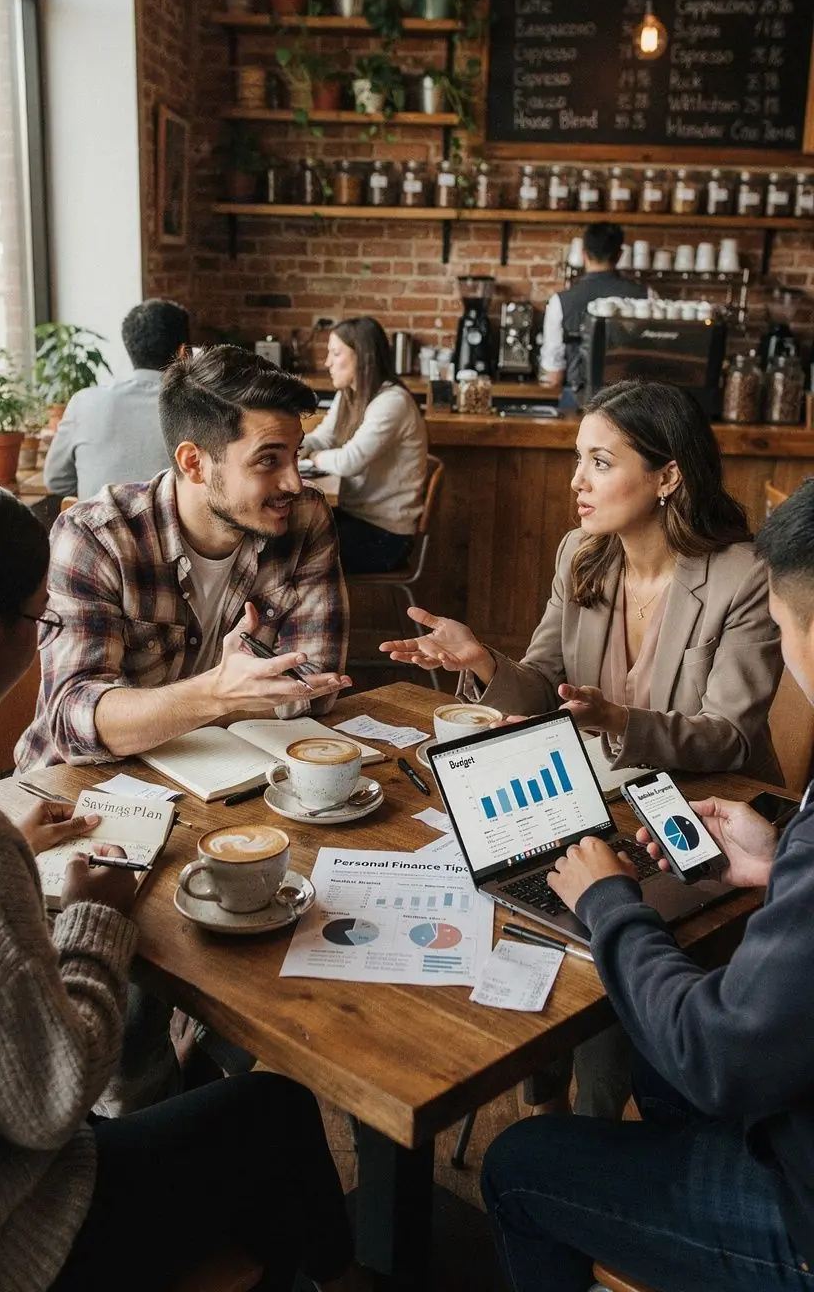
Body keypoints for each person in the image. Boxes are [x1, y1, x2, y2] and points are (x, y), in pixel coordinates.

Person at [381, 379, 782, 1119]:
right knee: (515, 894)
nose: (576, 482)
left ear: (668, 476)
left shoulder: (741, 575)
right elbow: (540, 686)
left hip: (700, 813)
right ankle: (545, 1103)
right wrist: (483, 663)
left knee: (593, 934)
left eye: (600, 462)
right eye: (577, 460)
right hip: (592, 795)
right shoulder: (582, 553)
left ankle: (592, 1125)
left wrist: (618, 719)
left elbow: (729, 734)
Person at [0, 488, 357, 1292]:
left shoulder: (297, 526)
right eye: (39, 618)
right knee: (278, 1113)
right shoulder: (101, 534)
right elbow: (53, 1098)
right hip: (33, 1237)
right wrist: (93, 918)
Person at [480, 476, 814, 1292]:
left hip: (799, 1210)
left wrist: (608, 903)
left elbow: (718, 1055)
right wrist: (779, 866)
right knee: (655, 1067)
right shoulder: (585, 558)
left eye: (783, 630)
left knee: (518, 1163)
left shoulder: (727, 576)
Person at [17, 344, 350, 771]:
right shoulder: (98, 537)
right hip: (80, 787)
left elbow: (316, 683)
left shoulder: (306, 516)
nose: (294, 483)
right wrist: (218, 693)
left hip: (219, 771)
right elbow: (74, 723)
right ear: (194, 463)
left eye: (295, 454)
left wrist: (154, 715)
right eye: (268, 460)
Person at [300, 317, 428, 574]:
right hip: (358, 520)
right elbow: (324, 437)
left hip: (386, 537)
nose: (327, 363)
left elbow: (350, 461)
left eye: (335, 353)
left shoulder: (392, 402)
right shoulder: (349, 394)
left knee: (293, 551)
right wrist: (296, 446)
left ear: (362, 356)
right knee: (289, 534)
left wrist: (312, 456)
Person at [43, 299, 189, 499]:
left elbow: (56, 481)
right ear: (182, 352)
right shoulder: (198, 406)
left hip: (96, 519)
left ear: (129, 347)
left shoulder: (84, 402)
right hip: (172, 519)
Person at [538, 223, 648, 396]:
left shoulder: (560, 301)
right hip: (634, 400)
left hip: (580, 401)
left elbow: (554, 375)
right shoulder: (647, 296)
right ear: (620, 255)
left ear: (583, 254)